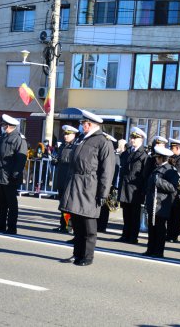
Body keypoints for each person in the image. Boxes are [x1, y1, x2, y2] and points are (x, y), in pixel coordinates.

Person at [59, 109, 114, 266]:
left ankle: (87, 257)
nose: (81, 126)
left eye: (83, 123)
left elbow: (107, 170)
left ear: (89, 124)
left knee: (89, 227)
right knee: (77, 224)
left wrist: (103, 193)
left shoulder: (103, 141)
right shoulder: (82, 139)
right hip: (76, 185)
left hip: (90, 187)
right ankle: (77, 254)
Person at [0, 114, 28, 234]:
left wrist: (15, 174)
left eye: (3, 125)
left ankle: (11, 228)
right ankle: (0, 225)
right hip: (0, 175)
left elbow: (21, 159)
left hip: (10, 176)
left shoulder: (19, 139)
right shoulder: (3, 137)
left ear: (8, 126)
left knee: (11, 204)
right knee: (1, 202)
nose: (2, 126)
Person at [143, 146, 180, 258]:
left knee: (159, 229)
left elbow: (173, 187)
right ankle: (150, 249)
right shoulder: (157, 168)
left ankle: (158, 251)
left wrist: (159, 182)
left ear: (161, 158)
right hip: (153, 202)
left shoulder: (171, 170)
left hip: (161, 203)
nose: (155, 159)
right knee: (152, 227)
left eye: (157, 158)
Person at [116, 127, 149, 244]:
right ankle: (125, 234)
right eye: (131, 137)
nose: (132, 140)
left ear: (141, 139)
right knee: (126, 213)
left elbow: (145, 175)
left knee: (134, 215)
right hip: (125, 187)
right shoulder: (127, 152)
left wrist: (143, 191)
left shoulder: (144, 155)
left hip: (135, 189)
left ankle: (133, 237)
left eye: (135, 138)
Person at [52, 125, 79, 233]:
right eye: (65, 134)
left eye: (68, 134)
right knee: (62, 204)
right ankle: (63, 225)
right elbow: (60, 159)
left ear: (73, 135)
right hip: (61, 178)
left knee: (69, 204)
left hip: (69, 179)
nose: (66, 136)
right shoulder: (63, 146)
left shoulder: (75, 147)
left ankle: (69, 226)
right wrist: (55, 161)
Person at [97, 133, 121, 233]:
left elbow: (115, 172)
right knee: (100, 206)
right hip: (102, 182)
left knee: (105, 207)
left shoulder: (115, 157)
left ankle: (102, 226)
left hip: (109, 184)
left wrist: (113, 185)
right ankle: (99, 225)